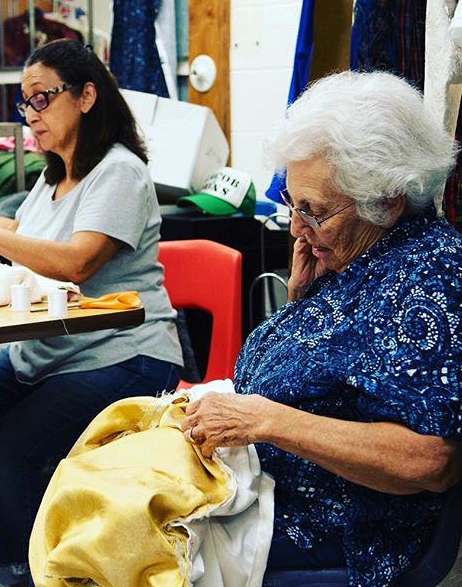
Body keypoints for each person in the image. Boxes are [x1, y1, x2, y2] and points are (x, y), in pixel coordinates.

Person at [0, 39, 183, 586]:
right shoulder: (56, 173)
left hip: (125, 353)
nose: (31, 115)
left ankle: (20, 576)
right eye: (24, 102)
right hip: (54, 349)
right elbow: (24, 234)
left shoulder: (118, 173)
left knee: (12, 448)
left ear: (86, 96)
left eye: (42, 98)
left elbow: (77, 261)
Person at [181, 71, 462, 587]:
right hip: (267, 496)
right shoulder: (358, 256)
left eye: (312, 211)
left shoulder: (429, 277)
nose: (295, 228)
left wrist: (267, 422)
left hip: (336, 533)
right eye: (292, 204)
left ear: (387, 200)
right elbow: (331, 364)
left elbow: (429, 459)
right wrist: (299, 302)